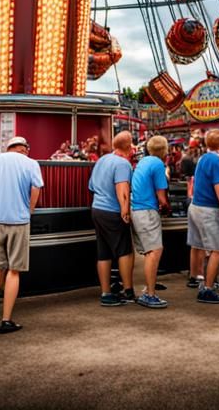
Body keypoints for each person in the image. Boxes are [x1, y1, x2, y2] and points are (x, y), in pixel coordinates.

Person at [0, 135, 44, 333]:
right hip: (19, 221)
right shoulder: (31, 163)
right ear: (24, 148)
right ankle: (6, 320)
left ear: (8, 148)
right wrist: (29, 209)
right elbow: (36, 188)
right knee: (14, 270)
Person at [88, 130, 135, 307]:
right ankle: (128, 290)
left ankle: (106, 292)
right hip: (113, 210)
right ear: (129, 147)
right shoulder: (123, 164)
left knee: (104, 252)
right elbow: (122, 189)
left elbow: (92, 186)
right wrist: (125, 210)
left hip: (97, 209)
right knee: (124, 251)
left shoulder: (102, 160)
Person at [187, 128, 219, 304]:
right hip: (209, 209)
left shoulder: (203, 159)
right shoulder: (217, 161)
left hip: (197, 206)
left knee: (204, 247)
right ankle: (208, 288)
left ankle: (204, 280)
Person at [131, 134, 171, 308]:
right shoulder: (157, 164)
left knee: (149, 251)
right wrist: (166, 207)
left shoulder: (143, 161)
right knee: (155, 251)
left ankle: (149, 288)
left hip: (136, 209)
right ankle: (150, 294)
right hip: (147, 210)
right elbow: (162, 196)